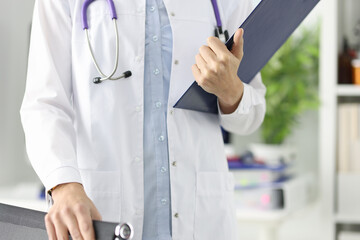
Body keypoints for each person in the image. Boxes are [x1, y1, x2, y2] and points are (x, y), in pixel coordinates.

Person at [20, 0, 266, 239]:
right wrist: (64, 185)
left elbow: (252, 115)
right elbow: (44, 104)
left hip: (201, 219)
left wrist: (231, 91)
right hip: (102, 211)